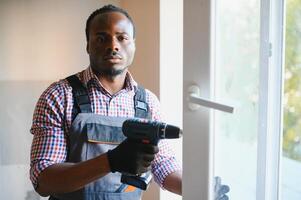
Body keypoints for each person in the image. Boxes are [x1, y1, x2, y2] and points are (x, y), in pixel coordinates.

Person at [30, 4, 229, 200]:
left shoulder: (147, 102)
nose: (113, 45)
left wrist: (200, 188)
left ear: (133, 44)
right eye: (101, 38)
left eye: (122, 38)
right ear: (88, 45)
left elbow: (162, 165)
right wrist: (110, 161)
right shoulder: (59, 96)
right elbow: (44, 180)